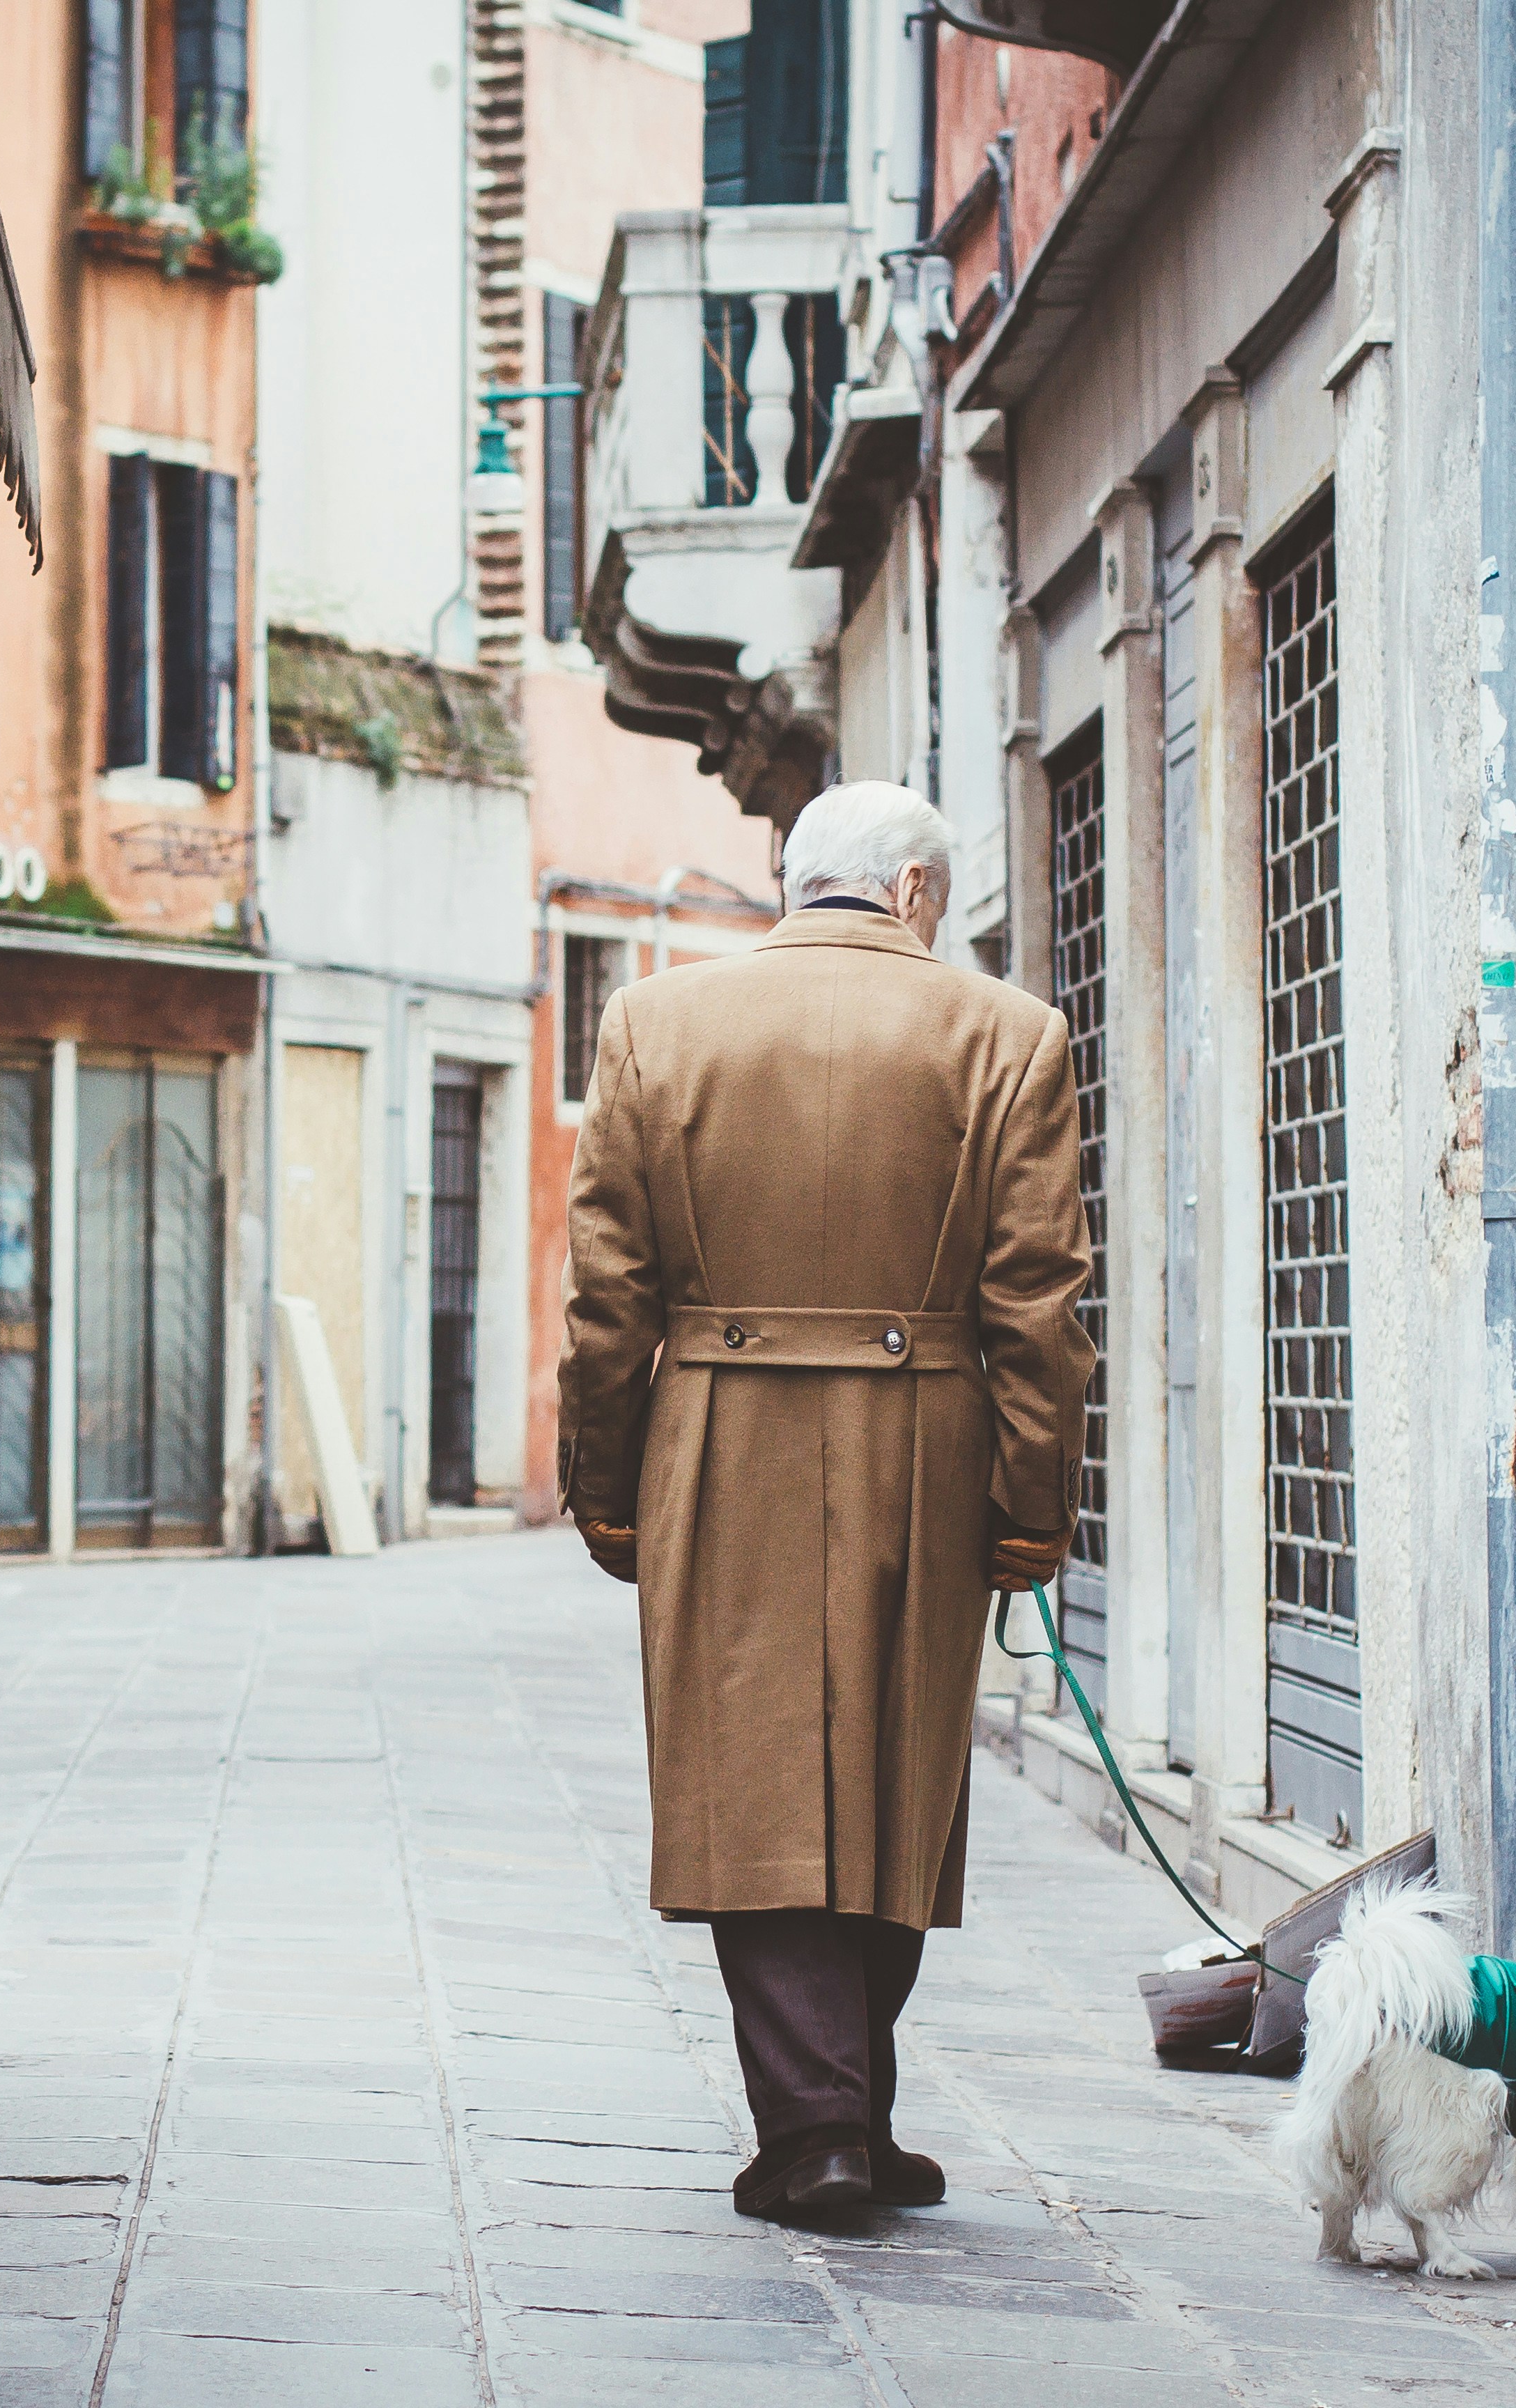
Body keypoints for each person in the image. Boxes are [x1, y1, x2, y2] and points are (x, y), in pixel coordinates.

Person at [557, 780, 1093, 2221]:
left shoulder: (654, 1027)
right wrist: (1031, 1506)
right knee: (894, 1778)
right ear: (918, 895)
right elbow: (1038, 1308)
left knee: (758, 1784)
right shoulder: (1010, 1035)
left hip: (718, 1438)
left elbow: (607, 1298)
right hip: (926, 1435)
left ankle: (820, 2126)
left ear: (795, 883)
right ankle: (844, 2112)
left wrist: (605, 1491)